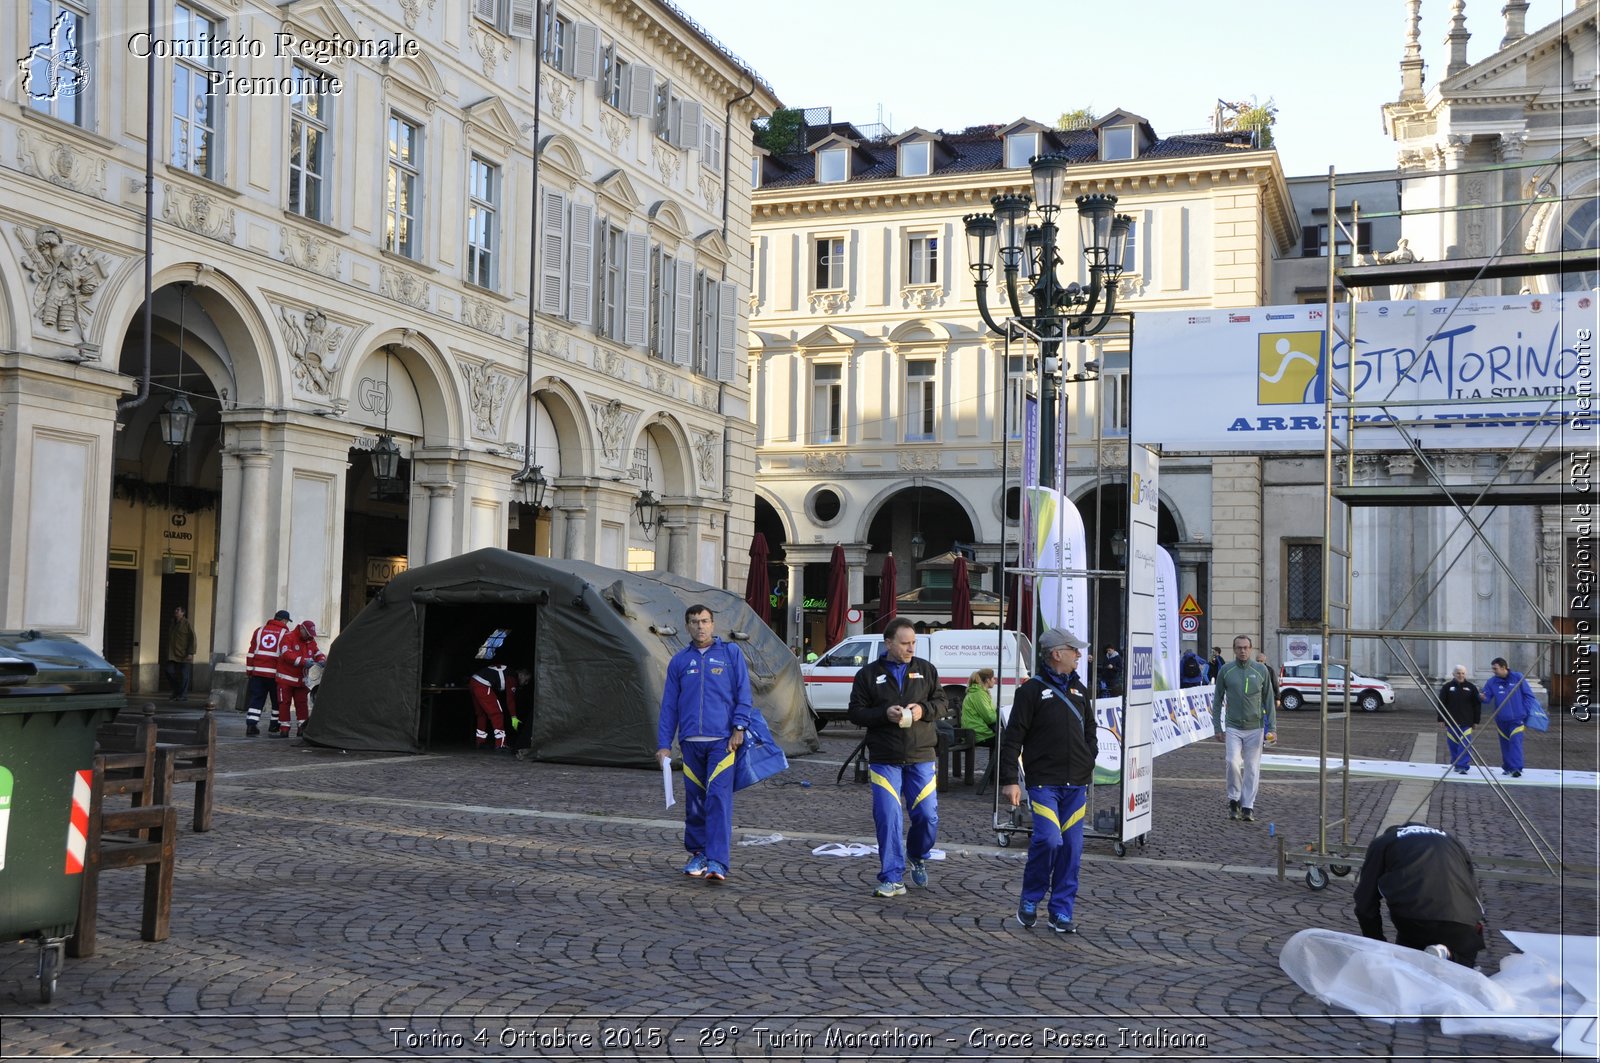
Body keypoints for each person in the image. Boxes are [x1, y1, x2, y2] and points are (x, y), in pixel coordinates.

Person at [1001, 628, 1097, 935]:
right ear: (1057, 654)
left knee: (1071, 848)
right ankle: (1030, 899)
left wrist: (1088, 758)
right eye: (1074, 650)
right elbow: (1013, 737)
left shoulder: (1081, 690)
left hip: (1076, 785)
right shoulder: (1030, 692)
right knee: (1048, 840)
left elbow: (1091, 731)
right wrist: (1009, 781)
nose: (1079, 654)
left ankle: (1061, 911)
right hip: (1044, 784)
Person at [847, 615, 946, 898]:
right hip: (884, 758)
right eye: (905, 643)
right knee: (888, 817)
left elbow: (942, 702)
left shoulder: (926, 670)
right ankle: (892, 878)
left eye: (913, 642)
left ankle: (917, 854)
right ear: (888, 643)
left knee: (927, 817)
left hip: (921, 755)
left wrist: (922, 711)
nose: (911, 648)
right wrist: (884, 713)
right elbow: (855, 712)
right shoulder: (867, 674)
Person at [656, 604, 753, 884]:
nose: (701, 626)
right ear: (687, 626)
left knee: (719, 800)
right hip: (690, 744)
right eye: (695, 622)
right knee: (695, 803)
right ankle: (698, 853)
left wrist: (739, 727)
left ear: (713, 624)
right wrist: (664, 744)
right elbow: (669, 707)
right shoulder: (679, 661)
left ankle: (718, 861)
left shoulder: (731, 654)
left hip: (723, 743)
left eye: (705, 621)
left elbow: (743, 694)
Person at [1354, 820, 1487, 968]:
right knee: (1463, 971)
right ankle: (1450, 956)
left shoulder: (1383, 842)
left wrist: (1378, 946)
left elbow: (1365, 903)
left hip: (1415, 919)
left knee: (1410, 968)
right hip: (1463, 921)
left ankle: (1443, 956)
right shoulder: (1452, 840)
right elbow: (1472, 887)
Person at [1211, 635, 1277, 822]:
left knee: (1252, 768)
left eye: (1246, 647)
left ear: (1251, 648)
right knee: (1232, 762)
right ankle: (1234, 799)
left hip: (1255, 728)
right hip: (1233, 727)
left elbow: (1269, 700)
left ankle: (1248, 805)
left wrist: (1272, 728)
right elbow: (1217, 701)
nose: (1242, 651)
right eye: (1239, 647)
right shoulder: (1226, 670)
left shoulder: (1261, 670)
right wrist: (1217, 726)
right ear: (1234, 649)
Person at [1481, 657, 1537, 778]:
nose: (1494, 671)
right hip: (1501, 719)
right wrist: (1481, 697)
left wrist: (1524, 711)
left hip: (1517, 719)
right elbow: (1487, 699)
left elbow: (1529, 696)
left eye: (1495, 668)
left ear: (1503, 667)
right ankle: (1507, 767)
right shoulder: (1492, 682)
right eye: (1493, 669)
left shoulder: (1518, 677)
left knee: (1515, 741)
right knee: (1505, 743)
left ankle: (1516, 768)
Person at [274, 620, 325, 738]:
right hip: (286, 678)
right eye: (308, 633)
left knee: (302, 704)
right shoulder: (289, 637)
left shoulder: (310, 640)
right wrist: (303, 661)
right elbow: (286, 654)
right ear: (302, 629)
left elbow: (317, 652)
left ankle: (302, 728)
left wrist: (321, 659)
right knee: (284, 703)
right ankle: (284, 729)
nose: (310, 637)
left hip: (301, 680)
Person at [244, 609, 291, 736]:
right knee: (277, 701)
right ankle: (274, 725)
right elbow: (285, 655)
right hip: (275, 674)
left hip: (257, 673)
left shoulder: (259, 630)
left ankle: (251, 725)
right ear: (284, 620)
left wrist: (249, 670)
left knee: (256, 699)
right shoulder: (285, 633)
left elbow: (251, 652)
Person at [469, 661, 528, 752]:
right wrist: (514, 716)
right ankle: (501, 744)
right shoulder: (512, 678)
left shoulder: (508, 672)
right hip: (482, 684)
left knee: (482, 713)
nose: (526, 683)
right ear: (522, 675)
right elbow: (510, 699)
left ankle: (480, 742)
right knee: (497, 713)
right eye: (526, 680)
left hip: (474, 681)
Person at [1438, 665, 1481, 774]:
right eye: (1458, 673)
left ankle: (1462, 766)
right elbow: (1441, 703)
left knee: (1465, 744)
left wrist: (1476, 721)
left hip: (1466, 721)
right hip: (1451, 721)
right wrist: (1441, 719)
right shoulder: (1447, 687)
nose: (1460, 675)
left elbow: (1477, 705)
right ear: (1453, 674)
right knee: (1453, 744)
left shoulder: (1471, 687)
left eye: (1462, 673)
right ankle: (1456, 763)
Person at [165, 605, 196, 702]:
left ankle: (182, 695)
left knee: (184, 675)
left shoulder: (187, 624)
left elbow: (192, 639)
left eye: (178, 610)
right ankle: (177, 690)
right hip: (172, 653)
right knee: (168, 671)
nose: (176, 611)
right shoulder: (172, 623)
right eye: (175, 609)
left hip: (184, 653)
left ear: (183, 613)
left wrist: (190, 653)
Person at [960, 669, 998, 745]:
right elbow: (989, 718)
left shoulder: (978, 692)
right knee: (1006, 739)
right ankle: (996, 757)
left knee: (1006, 737)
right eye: (993, 678)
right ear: (987, 680)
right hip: (978, 733)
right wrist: (1000, 716)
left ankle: (996, 757)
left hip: (976, 730)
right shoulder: (979, 694)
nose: (995, 680)